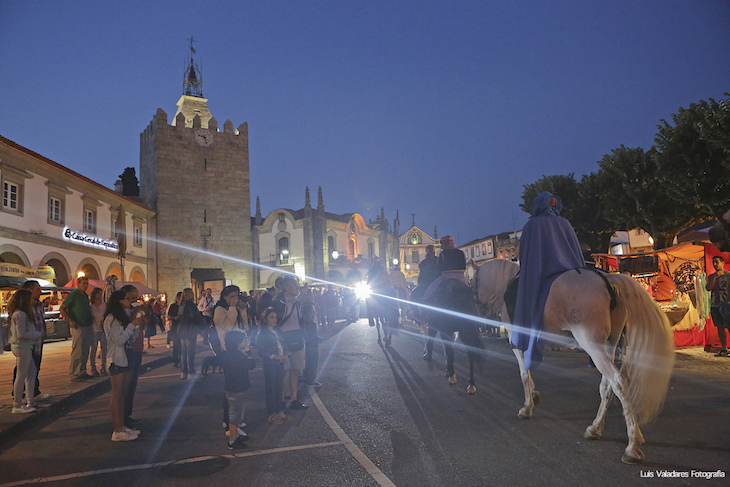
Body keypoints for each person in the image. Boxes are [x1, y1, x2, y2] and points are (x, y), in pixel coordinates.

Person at [511, 192, 585, 370]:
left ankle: (526, 334)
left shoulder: (532, 226)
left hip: (543, 273)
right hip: (571, 269)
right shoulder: (564, 223)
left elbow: (527, 259)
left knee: (519, 293)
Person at [104, 290, 145, 441]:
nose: (131, 301)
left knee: (123, 395)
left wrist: (136, 325)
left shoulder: (122, 317)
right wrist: (131, 325)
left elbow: (130, 338)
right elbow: (119, 340)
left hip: (126, 358)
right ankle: (117, 430)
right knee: (117, 395)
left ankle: (122, 425)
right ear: (120, 301)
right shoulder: (112, 319)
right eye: (128, 298)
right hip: (116, 359)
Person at [214, 285, 248, 433]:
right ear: (225, 297)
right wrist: (233, 308)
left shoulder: (236, 309)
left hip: (240, 350)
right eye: (232, 296)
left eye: (237, 296)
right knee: (231, 389)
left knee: (240, 387)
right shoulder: (220, 310)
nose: (235, 299)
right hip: (228, 351)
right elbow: (227, 326)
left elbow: (244, 327)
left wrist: (243, 310)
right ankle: (228, 421)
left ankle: (236, 420)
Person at [273, 276, 309, 410]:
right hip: (283, 340)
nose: (297, 287)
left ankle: (294, 399)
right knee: (284, 371)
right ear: (286, 287)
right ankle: (281, 400)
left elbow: (301, 321)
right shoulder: (278, 303)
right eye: (295, 285)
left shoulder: (298, 303)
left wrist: (304, 336)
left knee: (295, 370)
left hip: (297, 338)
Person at [11, 281, 50, 402]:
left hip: (36, 340)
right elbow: (21, 332)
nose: (40, 292)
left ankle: (32, 393)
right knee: (22, 371)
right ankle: (19, 397)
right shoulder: (22, 312)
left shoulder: (38, 305)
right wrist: (37, 334)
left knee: (34, 368)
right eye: (37, 289)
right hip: (26, 343)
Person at [8, 289, 43, 414]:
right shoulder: (20, 314)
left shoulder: (20, 313)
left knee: (31, 372)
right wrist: (37, 334)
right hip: (22, 346)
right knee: (22, 375)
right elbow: (21, 334)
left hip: (25, 346)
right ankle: (17, 404)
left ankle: (30, 400)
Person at [221, 329, 255, 449]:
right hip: (236, 389)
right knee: (235, 416)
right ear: (237, 343)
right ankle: (232, 440)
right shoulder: (238, 356)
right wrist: (246, 353)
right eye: (244, 340)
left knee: (236, 414)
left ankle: (235, 434)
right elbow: (251, 365)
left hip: (231, 388)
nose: (246, 342)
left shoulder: (227, 354)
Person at [256, 307, 291, 424]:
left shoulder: (277, 332)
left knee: (279, 388)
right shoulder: (262, 334)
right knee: (271, 388)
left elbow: (283, 344)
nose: (274, 319)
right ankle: (272, 413)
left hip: (280, 363)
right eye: (271, 317)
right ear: (265, 320)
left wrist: (286, 354)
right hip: (270, 364)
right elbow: (261, 351)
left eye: (275, 317)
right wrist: (274, 356)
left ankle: (279, 411)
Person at [119, 284, 144, 428]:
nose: (135, 301)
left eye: (136, 297)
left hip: (138, 348)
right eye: (132, 298)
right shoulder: (125, 313)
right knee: (126, 387)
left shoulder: (133, 310)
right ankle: (122, 418)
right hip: (130, 350)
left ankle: (127, 415)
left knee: (132, 385)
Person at [60, 276, 93, 381]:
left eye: (86, 283)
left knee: (85, 350)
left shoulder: (85, 296)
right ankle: (74, 373)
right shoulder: (73, 295)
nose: (85, 285)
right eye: (83, 283)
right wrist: (71, 320)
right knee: (77, 350)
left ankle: (82, 371)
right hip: (78, 326)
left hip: (87, 325)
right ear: (78, 284)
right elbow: (62, 308)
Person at [706, 255, 730, 357]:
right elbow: (708, 288)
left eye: (717, 262)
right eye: (713, 263)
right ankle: (724, 349)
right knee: (720, 327)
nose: (715, 264)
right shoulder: (711, 276)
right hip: (715, 304)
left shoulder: (728, 275)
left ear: (722, 263)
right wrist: (715, 277)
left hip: (727, 304)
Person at [178, 288, 203, 380]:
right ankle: (191, 371)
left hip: (182, 329)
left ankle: (183, 371)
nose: (193, 295)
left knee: (184, 352)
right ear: (188, 295)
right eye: (191, 293)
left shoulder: (181, 304)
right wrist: (200, 326)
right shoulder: (190, 304)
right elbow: (194, 317)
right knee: (190, 351)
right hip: (190, 329)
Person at [89, 287, 108, 376]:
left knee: (104, 349)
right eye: (98, 293)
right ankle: (93, 368)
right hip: (94, 329)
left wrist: (104, 321)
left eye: (101, 293)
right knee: (93, 349)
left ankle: (103, 367)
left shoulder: (104, 305)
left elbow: (107, 315)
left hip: (103, 329)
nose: (100, 295)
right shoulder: (90, 306)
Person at [302, 302, 321, 386]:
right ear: (309, 312)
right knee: (312, 363)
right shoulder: (311, 324)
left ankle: (306, 378)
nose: (315, 312)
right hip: (312, 345)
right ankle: (310, 379)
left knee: (307, 363)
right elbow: (313, 336)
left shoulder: (303, 323)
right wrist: (319, 339)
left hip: (307, 345)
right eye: (313, 310)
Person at [167, 292, 183, 366]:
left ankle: (181, 359)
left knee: (182, 344)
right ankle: (176, 359)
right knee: (176, 343)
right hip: (175, 326)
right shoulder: (173, 306)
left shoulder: (184, 306)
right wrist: (175, 318)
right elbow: (168, 316)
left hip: (183, 326)